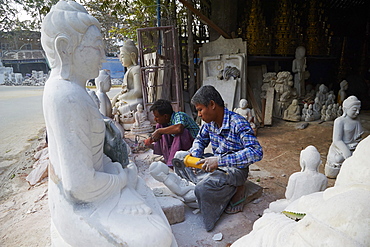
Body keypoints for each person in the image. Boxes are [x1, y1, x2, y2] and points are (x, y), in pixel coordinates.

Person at [41, 1, 174, 246]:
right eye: (96, 48)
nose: (104, 57)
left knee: (144, 198)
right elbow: (80, 186)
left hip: (90, 187)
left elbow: (91, 163)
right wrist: (122, 179)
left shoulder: (69, 90)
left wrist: (117, 170)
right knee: (157, 237)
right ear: (64, 48)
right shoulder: (67, 97)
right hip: (81, 203)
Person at [188, 85, 263, 231]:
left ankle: (237, 189)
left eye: (200, 110)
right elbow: (200, 140)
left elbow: (256, 151)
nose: (199, 115)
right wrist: (195, 156)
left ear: (212, 105)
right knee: (183, 161)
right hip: (218, 164)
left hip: (234, 169)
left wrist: (219, 161)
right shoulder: (209, 124)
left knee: (202, 189)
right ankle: (218, 187)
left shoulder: (238, 122)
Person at [144, 99, 200, 167]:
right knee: (160, 126)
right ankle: (167, 157)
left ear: (165, 116)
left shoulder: (179, 115)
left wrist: (159, 131)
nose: (155, 119)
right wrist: (151, 139)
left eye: (157, 117)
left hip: (193, 142)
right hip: (181, 141)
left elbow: (179, 128)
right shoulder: (167, 121)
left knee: (180, 132)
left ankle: (172, 162)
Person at [325, 95, 363, 178]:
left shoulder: (357, 121)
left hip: (353, 147)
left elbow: (358, 138)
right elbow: (337, 140)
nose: (357, 112)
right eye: (354, 110)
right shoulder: (340, 121)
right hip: (340, 148)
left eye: (358, 110)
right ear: (345, 109)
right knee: (338, 159)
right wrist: (346, 152)